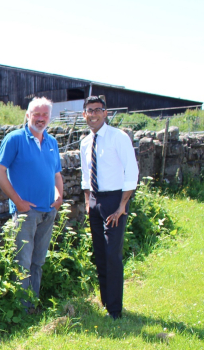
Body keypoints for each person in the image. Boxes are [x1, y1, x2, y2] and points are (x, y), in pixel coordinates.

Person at [0, 97, 64, 303]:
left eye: (45, 114)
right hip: (26, 213)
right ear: (27, 116)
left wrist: (59, 196)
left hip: (48, 211)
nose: (41, 118)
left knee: (38, 261)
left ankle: (32, 304)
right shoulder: (15, 139)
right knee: (22, 262)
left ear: (49, 117)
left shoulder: (52, 142)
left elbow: (56, 174)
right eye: (36, 114)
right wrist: (18, 201)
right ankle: (21, 310)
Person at [79, 95, 139, 320]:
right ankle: (105, 302)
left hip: (115, 201)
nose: (93, 114)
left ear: (105, 113)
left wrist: (122, 205)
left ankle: (115, 310)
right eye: (89, 110)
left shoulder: (118, 138)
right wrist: (87, 202)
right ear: (84, 114)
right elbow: (86, 175)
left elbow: (131, 172)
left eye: (97, 110)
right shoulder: (85, 142)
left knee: (112, 254)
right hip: (95, 201)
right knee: (100, 254)